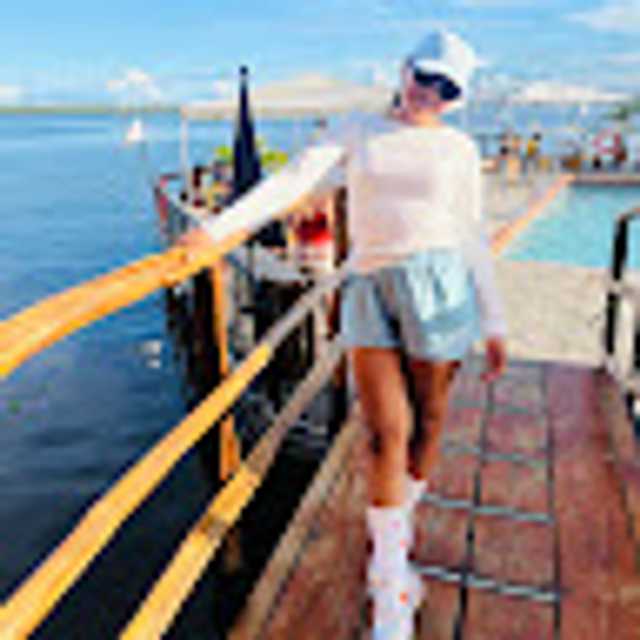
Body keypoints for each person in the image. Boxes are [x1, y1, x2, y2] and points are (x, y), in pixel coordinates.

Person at [178, 28, 507, 640]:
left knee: (429, 424)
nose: (429, 92)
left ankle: (397, 541)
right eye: (424, 76)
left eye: (445, 88)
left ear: (456, 97)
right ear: (405, 68)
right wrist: (218, 230)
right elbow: (291, 181)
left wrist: (495, 322)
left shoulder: (459, 149)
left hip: (440, 287)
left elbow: (471, 232)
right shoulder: (358, 128)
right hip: (369, 286)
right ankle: (390, 587)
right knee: (387, 433)